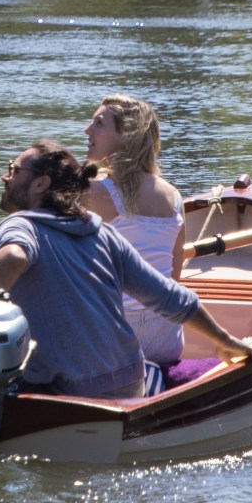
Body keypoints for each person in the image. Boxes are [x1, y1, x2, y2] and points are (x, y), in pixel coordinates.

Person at [0, 139, 252, 399]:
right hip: (128, 384)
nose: (4, 177)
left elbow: (11, 257)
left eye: (13, 170)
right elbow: (171, 298)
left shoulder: (21, 224)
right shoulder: (104, 234)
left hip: (66, 391)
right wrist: (225, 341)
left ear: (40, 184)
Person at [83, 94, 186, 365]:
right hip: (167, 338)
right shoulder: (174, 197)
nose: (87, 130)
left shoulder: (95, 194)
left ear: (126, 136)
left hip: (118, 339)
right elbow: (174, 278)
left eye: (99, 124)